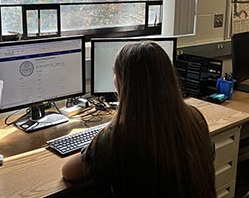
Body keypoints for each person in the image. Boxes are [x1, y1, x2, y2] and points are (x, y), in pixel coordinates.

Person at [62, 41, 216, 197]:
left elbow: (68, 171)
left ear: (123, 84)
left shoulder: (117, 135)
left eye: (115, 73)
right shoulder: (194, 117)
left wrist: (108, 129)